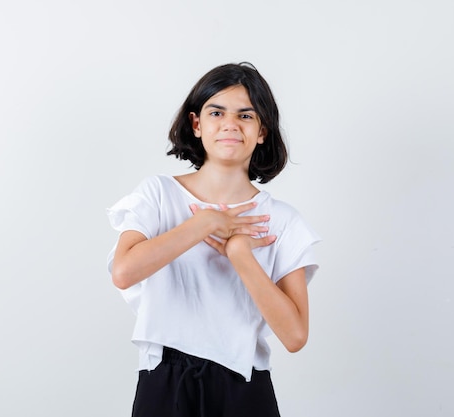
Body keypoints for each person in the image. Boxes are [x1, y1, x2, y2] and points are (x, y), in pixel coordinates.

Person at [106, 62, 321, 417]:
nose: (230, 124)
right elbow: (124, 271)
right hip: (165, 378)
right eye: (216, 112)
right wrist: (205, 222)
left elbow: (295, 336)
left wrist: (240, 254)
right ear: (196, 124)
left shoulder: (282, 220)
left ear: (262, 130)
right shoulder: (159, 194)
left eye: (246, 115)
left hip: (245, 384)